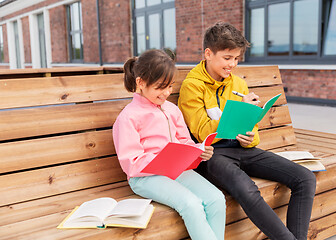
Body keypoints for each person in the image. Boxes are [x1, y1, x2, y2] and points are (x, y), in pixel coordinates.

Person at [178, 22, 316, 240]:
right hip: (212, 155)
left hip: (242, 149)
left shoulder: (238, 85)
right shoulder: (192, 86)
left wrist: (249, 137)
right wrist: (231, 114)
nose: (232, 64)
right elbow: (201, 132)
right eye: (227, 58)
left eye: (236, 58)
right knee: (247, 188)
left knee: (305, 178)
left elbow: (253, 131)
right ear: (208, 53)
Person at [112, 49, 226, 240]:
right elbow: (131, 163)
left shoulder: (172, 110)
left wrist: (199, 151)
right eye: (160, 87)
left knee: (216, 199)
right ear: (140, 82)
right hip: (145, 178)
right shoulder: (128, 118)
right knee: (191, 204)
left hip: (176, 171)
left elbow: (185, 142)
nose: (166, 93)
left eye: (170, 86)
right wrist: (162, 160)